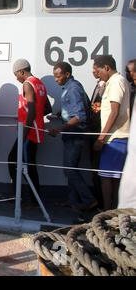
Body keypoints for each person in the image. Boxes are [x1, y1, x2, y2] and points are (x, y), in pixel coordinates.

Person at [49, 62, 97, 212]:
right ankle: (73, 200)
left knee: (70, 169)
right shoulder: (69, 88)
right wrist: (58, 115)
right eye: (54, 76)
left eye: (58, 76)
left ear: (67, 74)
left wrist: (59, 128)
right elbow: (71, 110)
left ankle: (89, 200)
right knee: (70, 168)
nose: (56, 79)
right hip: (71, 134)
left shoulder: (73, 88)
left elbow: (80, 116)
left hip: (76, 135)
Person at [8, 59, 52, 205]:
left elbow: (31, 110)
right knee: (29, 165)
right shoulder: (40, 83)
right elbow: (47, 108)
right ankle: (34, 198)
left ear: (22, 71)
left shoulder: (27, 84)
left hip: (28, 131)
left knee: (14, 161)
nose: (17, 78)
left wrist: (24, 132)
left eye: (16, 74)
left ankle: (18, 197)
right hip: (36, 129)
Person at [93, 55, 131, 211]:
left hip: (116, 137)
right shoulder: (113, 82)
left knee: (107, 178)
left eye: (99, 70)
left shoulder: (116, 82)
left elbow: (114, 112)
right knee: (113, 178)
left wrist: (101, 138)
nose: (97, 73)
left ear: (107, 68)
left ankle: (108, 212)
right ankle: (113, 211)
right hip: (114, 137)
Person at [89, 64, 106, 209]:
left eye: (96, 68)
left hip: (100, 133)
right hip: (93, 132)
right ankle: (98, 201)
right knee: (94, 170)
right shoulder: (98, 85)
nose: (93, 71)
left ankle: (102, 205)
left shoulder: (108, 86)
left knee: (99, 170)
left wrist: (101, 137)